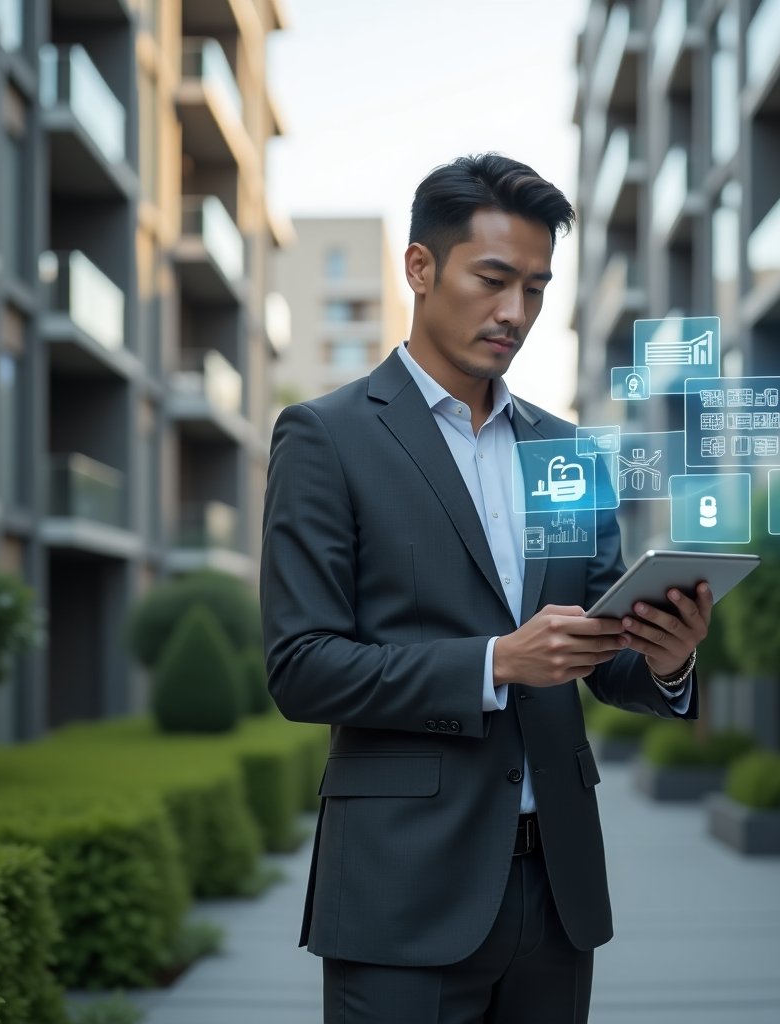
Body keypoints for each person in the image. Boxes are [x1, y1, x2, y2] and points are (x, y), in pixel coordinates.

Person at [260, 153, 711, 1024]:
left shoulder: (565, 452)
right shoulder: (327, 437)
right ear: (421, 269)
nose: (516, 313)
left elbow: (596, 653)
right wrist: (496, 663)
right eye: (494, 279)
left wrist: (665, 657)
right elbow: (302, 667)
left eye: (537, 289)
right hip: (404, 895)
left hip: (556, 895)